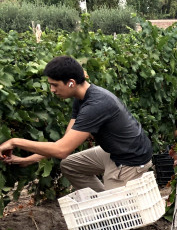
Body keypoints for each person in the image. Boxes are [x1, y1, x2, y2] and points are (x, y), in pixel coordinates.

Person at [0, 55, 153, 192]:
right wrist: (28, 160)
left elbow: (61, 150)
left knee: (118, 217)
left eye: (55, 85)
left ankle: (110, 206)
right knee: (69, 165)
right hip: (116, 151)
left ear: (71, 83)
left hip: (130, 160)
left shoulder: (95, 105)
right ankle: (103, 202)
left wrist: (15, 142)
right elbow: (65, 142)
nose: (52, 90)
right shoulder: (81, 99)